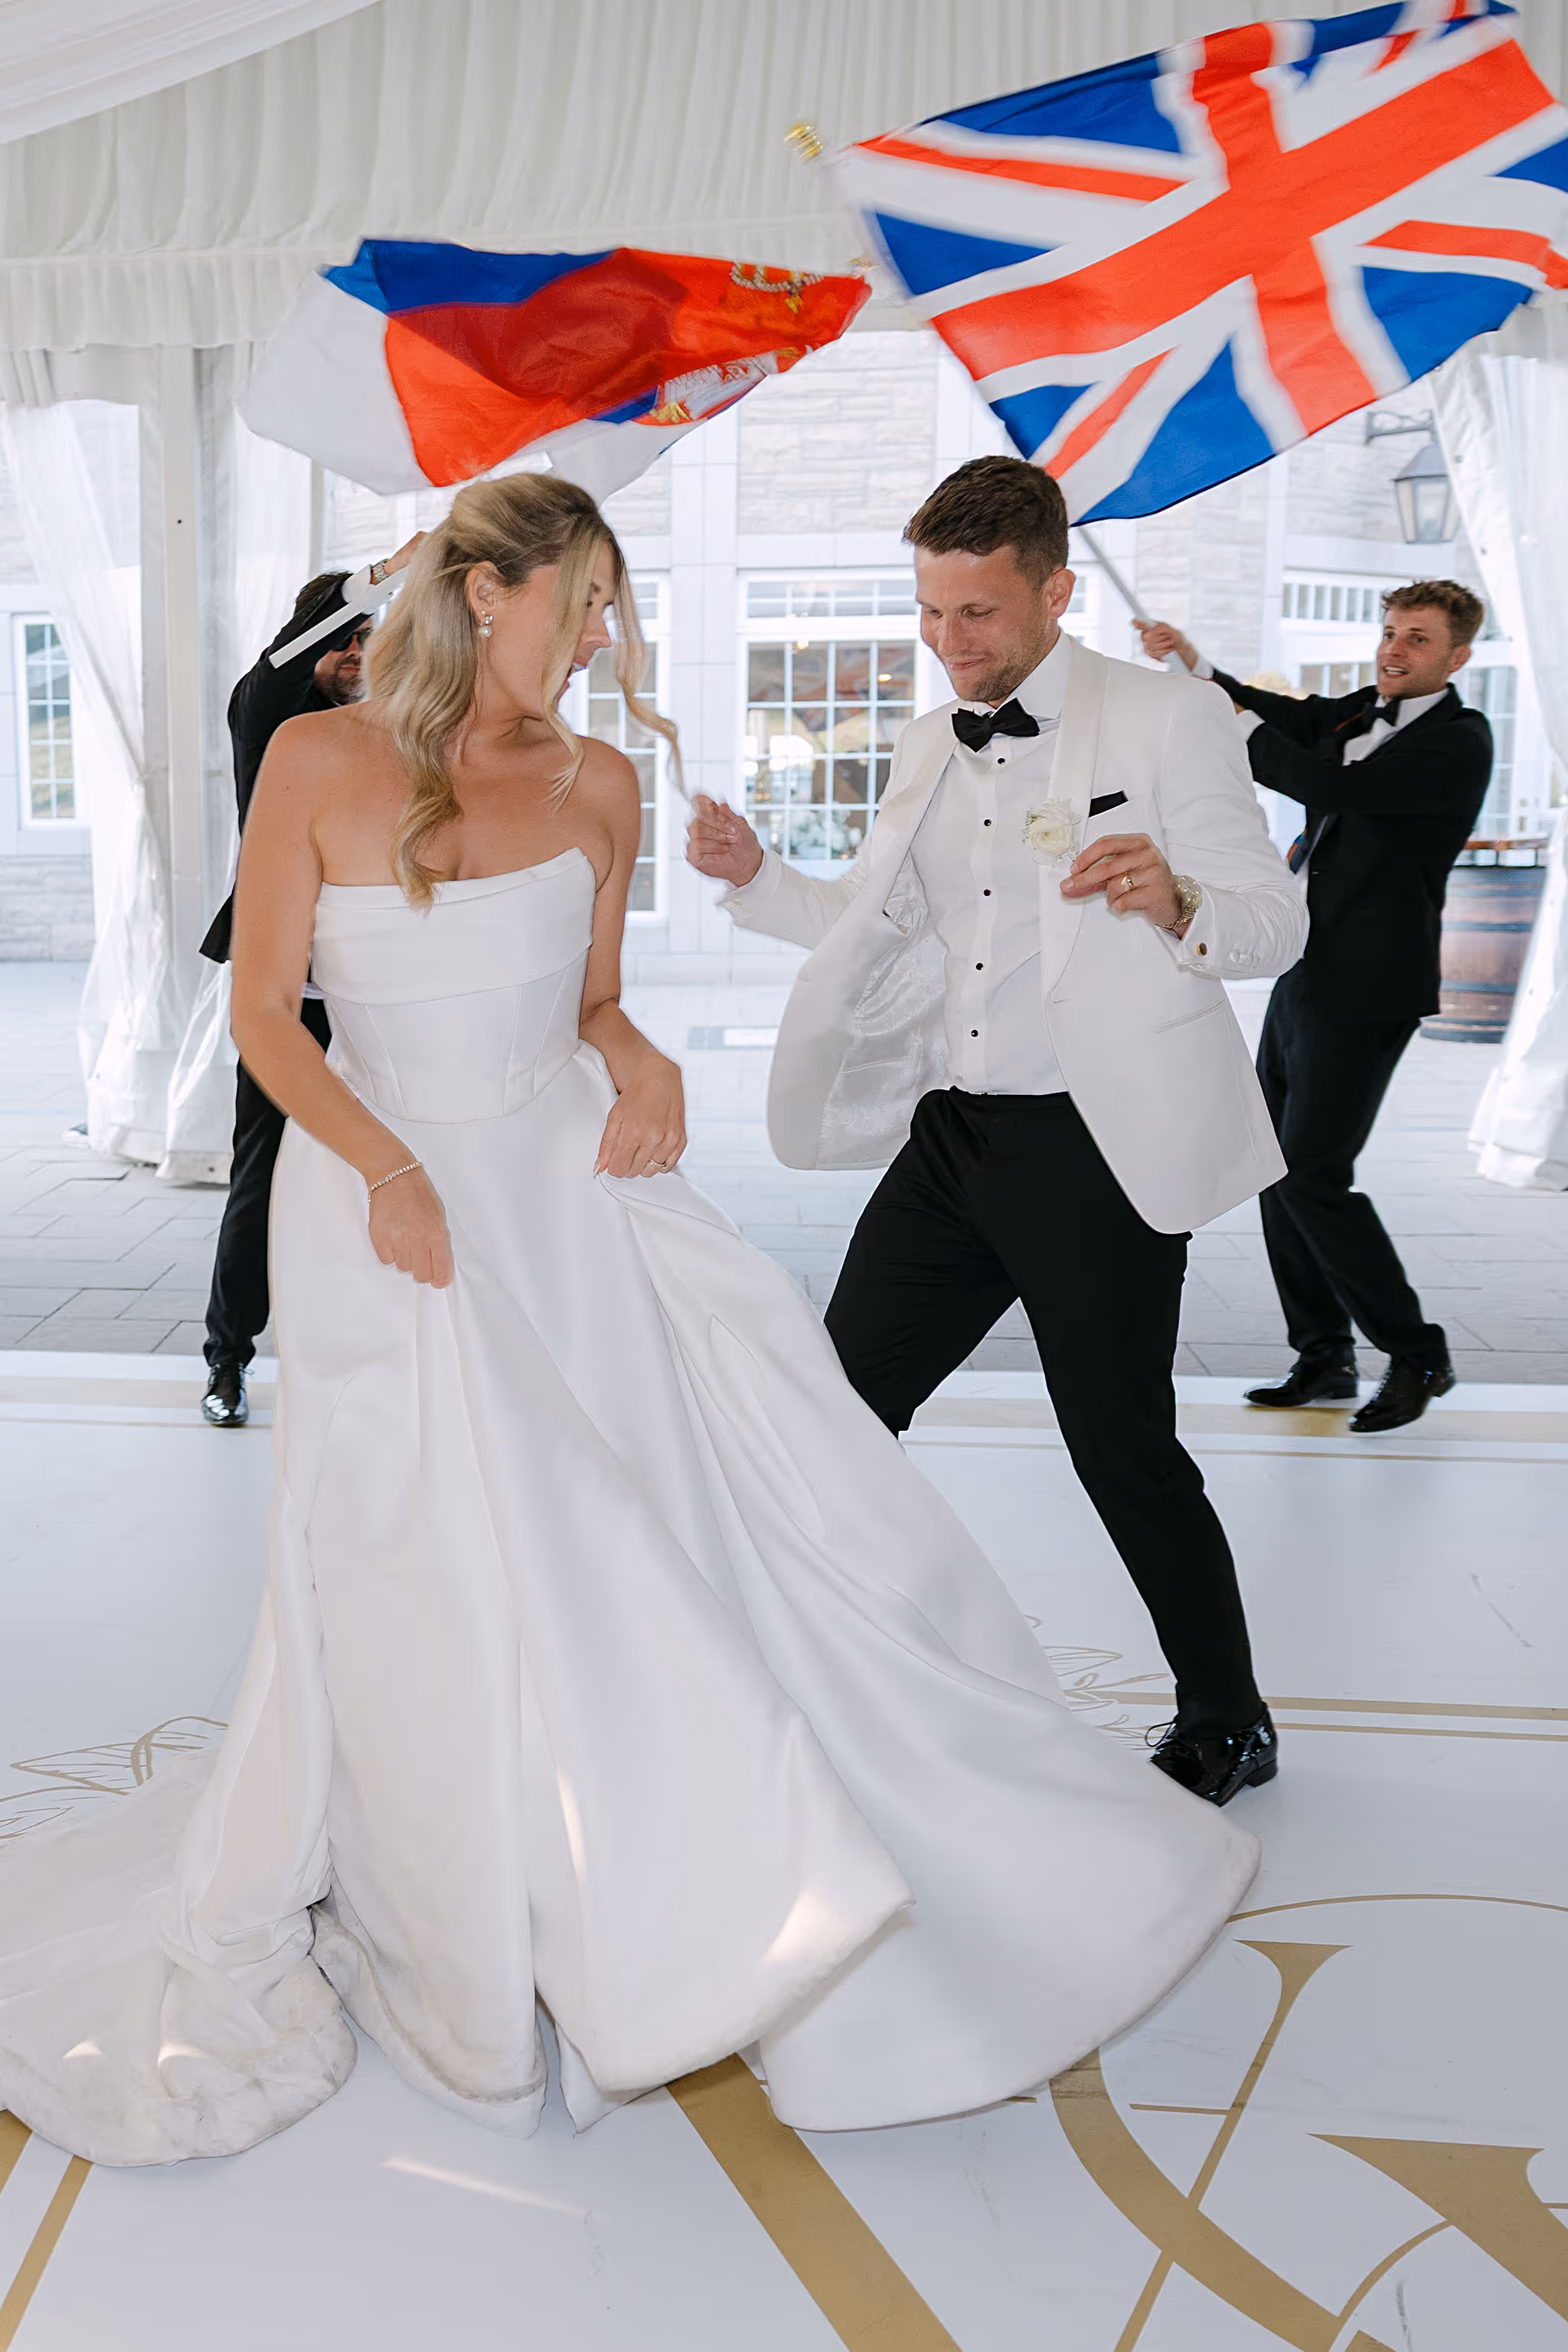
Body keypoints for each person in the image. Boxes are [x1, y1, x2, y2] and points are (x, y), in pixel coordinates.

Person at [0, 472, 1257, 2168]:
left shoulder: (600, 784)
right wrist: (382, 1166)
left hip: (556, 1186)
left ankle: (633, 1887)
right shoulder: (320, 757)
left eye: (614, 604)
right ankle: (441, 1889)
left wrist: (643, 1054)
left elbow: (592, 1000)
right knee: (404, 1542)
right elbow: (265, 1027)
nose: (607, 635)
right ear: (485, 592)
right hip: (376, 1197)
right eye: (583, 599)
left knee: (612, 1534)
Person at [688, 456, 1308, 1808]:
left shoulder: (1162, 720)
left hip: (1096, 1147)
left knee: (1119, 1446)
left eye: (975, 612)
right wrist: (755, 883)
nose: (948, 642)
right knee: (836, 1409)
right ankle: (812, 1667)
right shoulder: (928, 743)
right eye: (928, 611)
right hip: (952, 1142)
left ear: (1052, 591)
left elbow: (1273, 921)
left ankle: (1227, 1715)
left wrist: (1174, 891)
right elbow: (875, 930)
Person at [1136, 583, 1491, 1433]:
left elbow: (1325, 784)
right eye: (1389, 633)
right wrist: (1198, 669)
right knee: (1271, 1163)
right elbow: (1283, 717)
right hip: (1305, 972)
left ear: (1455, 657)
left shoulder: (1457, 741)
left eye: (1416, 638)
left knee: (1313, 1174)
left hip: (1370, 987)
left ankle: (1416, 1354)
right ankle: (1322, 1353)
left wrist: (1226, 729)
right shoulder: (1363, 708)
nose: (1392, 650)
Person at [198, 541, 423, 1428]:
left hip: (386, 994)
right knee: (262, 1176)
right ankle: (227, 1361)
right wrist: (390, 569)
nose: (358, 659)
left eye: (373, 641)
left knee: (392, 1164)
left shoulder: (396, 728)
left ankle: (393, 1357)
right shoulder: (267, 716)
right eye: (344, 641)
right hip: (288, 1002)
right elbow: (291, 658)